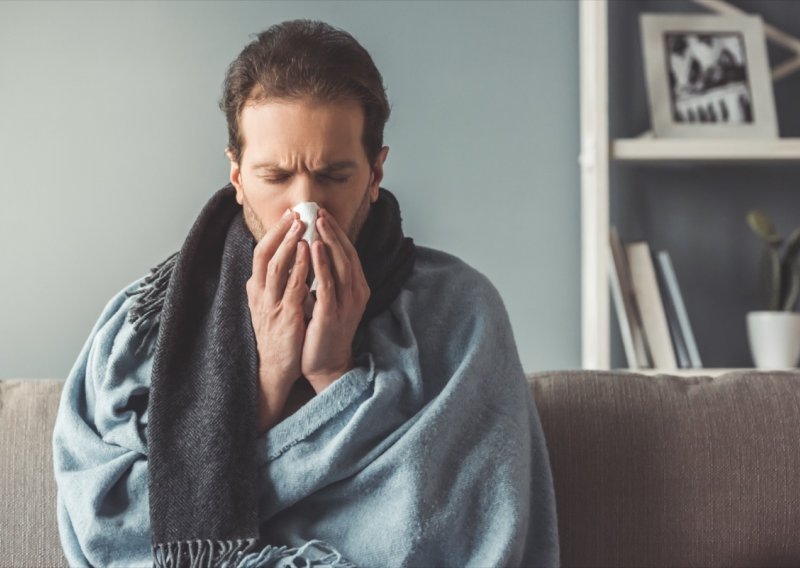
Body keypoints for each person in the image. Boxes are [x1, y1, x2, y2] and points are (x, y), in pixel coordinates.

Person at [53, 19, 559, 568]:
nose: (305, 209)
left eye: (333, 176)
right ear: (237, 174)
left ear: (375, 172)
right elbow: (107, 524)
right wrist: (267, 380)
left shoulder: (461, 315)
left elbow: (474, 531)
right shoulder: (141, 328)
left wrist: (333, 376)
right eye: (275, 177)